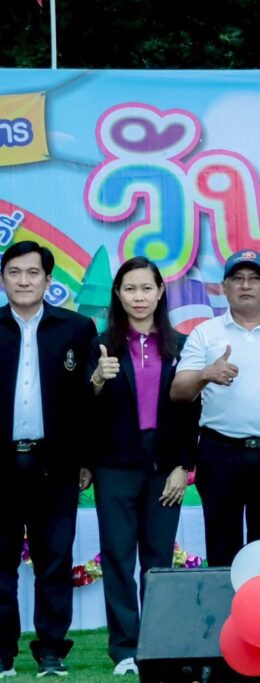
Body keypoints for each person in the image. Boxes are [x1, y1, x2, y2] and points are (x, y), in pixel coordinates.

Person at [87, 257, 199, 676]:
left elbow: (192, 412)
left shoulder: (182, 346)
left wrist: (183, 465)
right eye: (130, 289)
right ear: (118, 294)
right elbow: (79, 410)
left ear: (160, 292)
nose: (139, 297)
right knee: (118, 557)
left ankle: (157, 645)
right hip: (114, 466)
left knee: (158, 560)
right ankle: (124, 649)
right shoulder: (99, 345)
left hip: (165, 466)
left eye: (146, 288)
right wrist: (97, 379)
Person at [170, 250, 260, 566]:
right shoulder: (205, 333)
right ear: (224, 287)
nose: (246, 285)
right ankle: (225, 601)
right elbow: (178, 392)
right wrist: (206, 374)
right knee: (222, 549)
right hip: (219, 454)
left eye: (254, 278)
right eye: (237, 278)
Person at [0, 241, 96, 678]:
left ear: (48, 280)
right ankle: (2, 653)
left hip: (54, 464)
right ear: (4, 279)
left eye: (33, 273)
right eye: (14, 272)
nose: (24, 281)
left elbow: (90, 402)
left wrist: (86, 459)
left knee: (54, 560)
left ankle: (52, 650)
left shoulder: (76, 328)